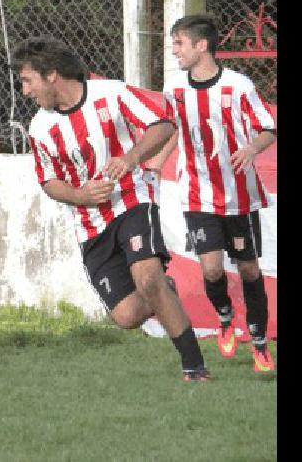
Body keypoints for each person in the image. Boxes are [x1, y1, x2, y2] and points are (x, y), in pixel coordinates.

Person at [12, 36, 210, 382]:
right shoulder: (40, 127)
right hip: (90, 224)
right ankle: (165, 290)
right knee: (126, 316)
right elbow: (48, 181)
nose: (25, 91)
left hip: (133, 198)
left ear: (51, 75)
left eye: (28, 80)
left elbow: (163, 123)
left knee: (148, 279)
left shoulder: (111, 94)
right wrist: (81, 195)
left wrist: (133, 157)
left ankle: (194, 367)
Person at [163, 15, 277, 373]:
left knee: (247, 268)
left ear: (202, 45)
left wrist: (251, 149)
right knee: (211, 270)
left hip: (238, 196)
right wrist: (154, 164)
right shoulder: (174, 87)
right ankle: (226, 319)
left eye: (179, 43)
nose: (174, 50)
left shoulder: (237, 86)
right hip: (196, 194)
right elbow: (169, 130)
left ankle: (259, 343)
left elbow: (268, 128)